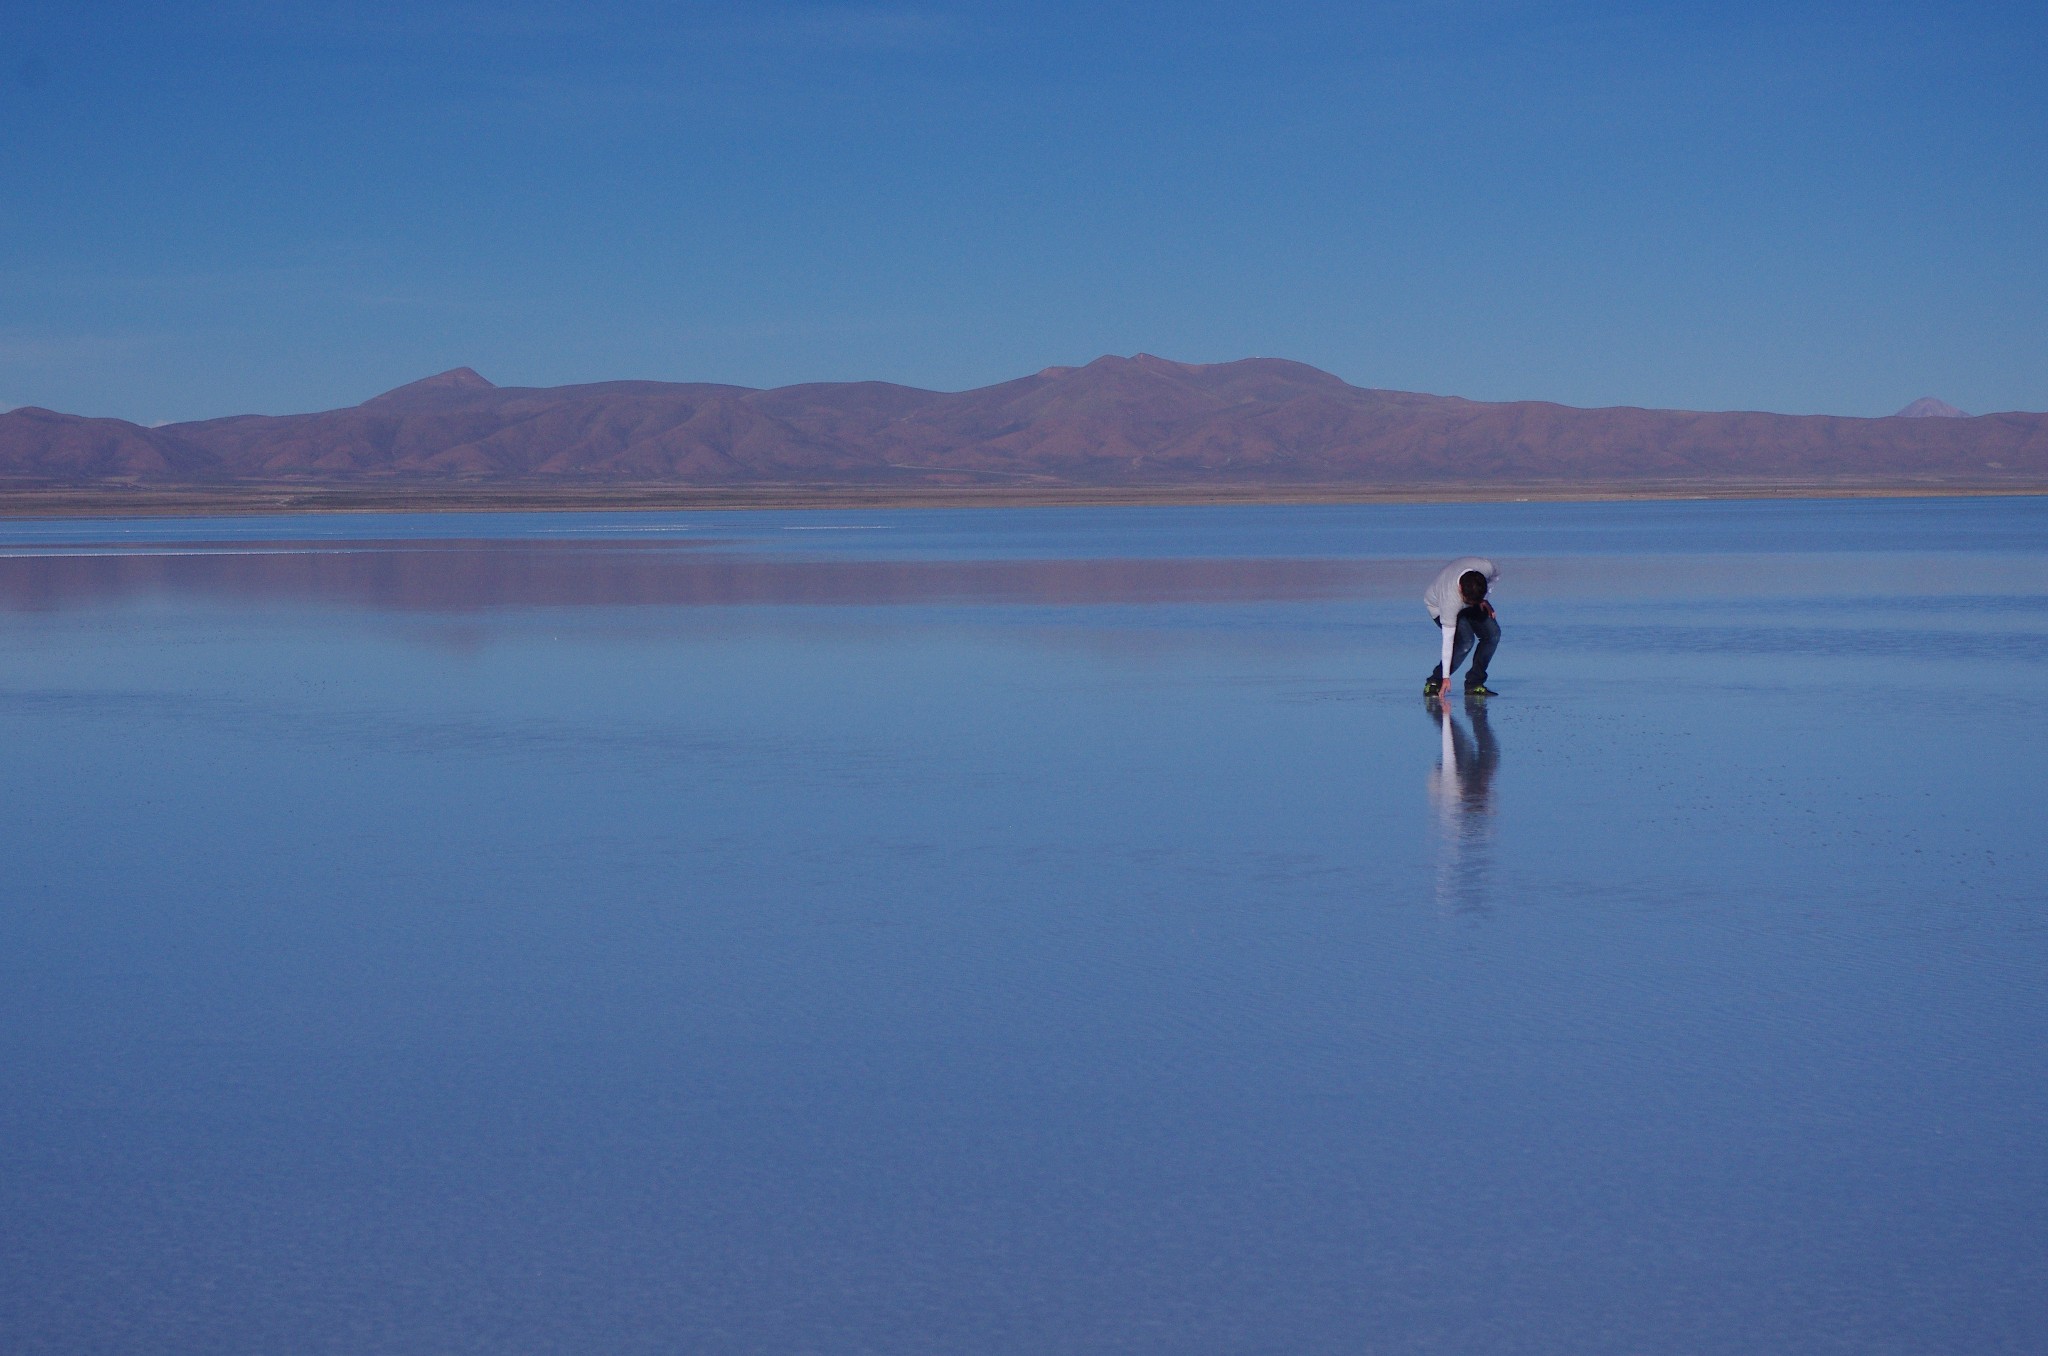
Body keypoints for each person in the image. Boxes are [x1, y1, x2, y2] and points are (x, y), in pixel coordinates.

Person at [1422, 556, 1500, 698]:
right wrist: (1446, 677)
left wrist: (1484, 599)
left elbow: (1494, 577)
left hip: (1474, 596)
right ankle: (1434, 681)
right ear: (1460, 589)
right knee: (1465, 642)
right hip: (1437, 606)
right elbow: (1448, 641)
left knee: (1493, 634)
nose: (1470, 605)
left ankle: (1474, 683)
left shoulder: (1487, 568)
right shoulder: (1450, 601)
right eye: (1469, 602)